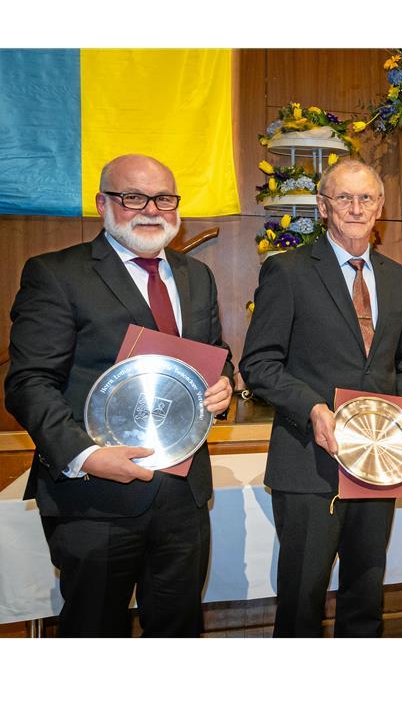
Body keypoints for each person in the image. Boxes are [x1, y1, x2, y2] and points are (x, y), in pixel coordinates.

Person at [5, 154, 234, 636]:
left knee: (178, 631)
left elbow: (215, 354)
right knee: (94, 635)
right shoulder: (56, 273)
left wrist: (224, 385)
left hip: (183, 494)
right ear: (103, 203)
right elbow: (28, 383)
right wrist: (85, 456)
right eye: (134, 197)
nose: (152, 209)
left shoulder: (197, 277)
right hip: (94, 496)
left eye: (165, 198)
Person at [240, 158, 402, 637]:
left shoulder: (394, 275)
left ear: (380, 208)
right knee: (303, 597)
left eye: (366, 198)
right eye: (343, 198)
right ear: (323, 207)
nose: (355, 207)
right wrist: (313, 408)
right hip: (311, 461)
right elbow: (259, 365)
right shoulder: (287, 271)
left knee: (366, 594)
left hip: (380, 460)